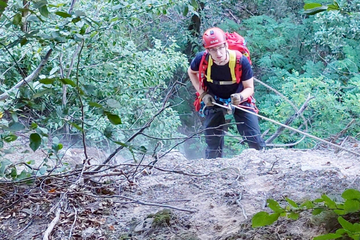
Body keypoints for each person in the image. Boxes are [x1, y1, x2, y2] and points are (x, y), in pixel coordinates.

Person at [188, 27, 266, 159]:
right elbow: (191, 72)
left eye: (220, 47)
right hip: (214, 98)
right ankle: (213, 169)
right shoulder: (202, 59)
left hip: (239, 97)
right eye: (213, 49)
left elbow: (249, 88)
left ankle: (262, 163)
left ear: (225, 45)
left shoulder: (240, 60)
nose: (218, 53)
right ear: (207, 50)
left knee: (254, 138)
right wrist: (203, 94)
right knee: (213, 141)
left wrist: (240, 97)